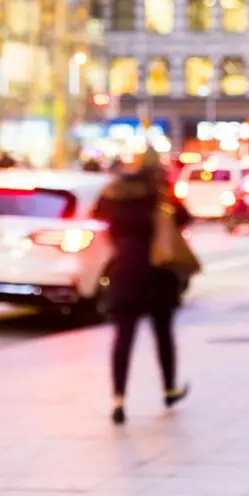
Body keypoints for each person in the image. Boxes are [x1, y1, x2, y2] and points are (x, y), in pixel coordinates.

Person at [93, 151, 191, 423]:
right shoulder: (160, 194)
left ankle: (118, 400)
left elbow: (98, 215)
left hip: (124, 269)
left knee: (123, 337)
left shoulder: (114, 193)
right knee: (163, 333)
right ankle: (169, 389)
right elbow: (184, 218)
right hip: (158, 270)